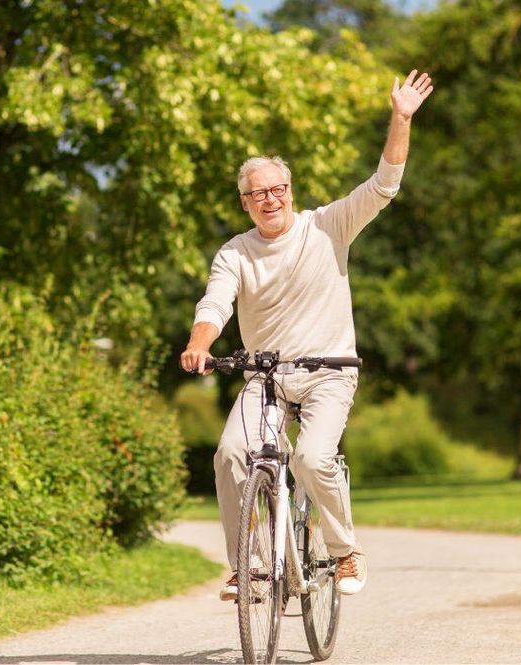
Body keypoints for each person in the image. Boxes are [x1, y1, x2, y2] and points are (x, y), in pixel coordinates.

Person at [180, 70, 433, 601]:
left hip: (329, 373)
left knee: (312, 458)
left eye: (277, 189)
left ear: (290, 192)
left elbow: (385, 183)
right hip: (265, 376)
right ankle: (248, 568)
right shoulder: (235, 252)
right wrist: (201, 342)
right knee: (229, 454)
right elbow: (216, 302)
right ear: (244, 202)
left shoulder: (328, 226)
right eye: (257, 194)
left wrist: (400, 117)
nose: (269, 199)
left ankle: (344, 551)